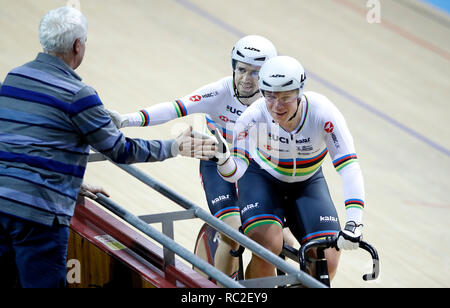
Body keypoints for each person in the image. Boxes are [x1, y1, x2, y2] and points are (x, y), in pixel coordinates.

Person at [0, 6, 216, 288]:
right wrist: (174, 147)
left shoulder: (15, 77)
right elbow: (120, 149)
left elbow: (20, 141)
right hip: (40, 213)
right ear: (78, 45)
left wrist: (71, 183)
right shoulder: (79, 95)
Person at [107, 35, 279, 279]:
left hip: (256, 170)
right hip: (219, 164)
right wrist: (128, 119)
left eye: (255, 72)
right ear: (233, 66)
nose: (245, 79)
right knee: (233, 236)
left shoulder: (276, 102)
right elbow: (174, 108)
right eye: (241, 69)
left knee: (274, 245)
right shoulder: (220, 91)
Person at [212, 55, 366, 280]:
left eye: (286, 98)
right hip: (261, 178)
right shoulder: (251, 118)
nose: (277, 106)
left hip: (307, 182)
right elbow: (236, 172)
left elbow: (349, 167)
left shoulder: (323, 114)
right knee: (268, 247)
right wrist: (224, 160)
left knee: (328, 257)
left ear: (300, 92)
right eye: (270, 97)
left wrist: (354, 221)